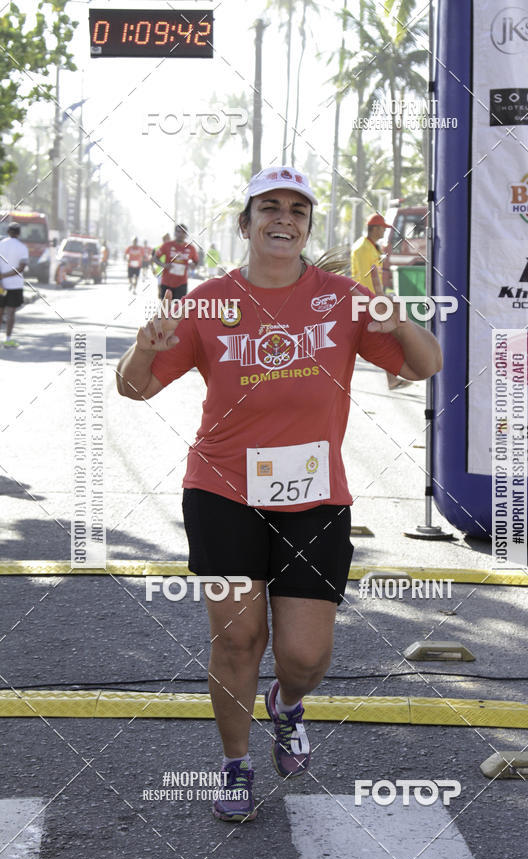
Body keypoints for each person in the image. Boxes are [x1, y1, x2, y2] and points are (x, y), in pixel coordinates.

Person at [116, 165, 442, 823]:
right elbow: (135, 388)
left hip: (316, 499)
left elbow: (424, 366)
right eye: (269, 208)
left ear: (306, 227)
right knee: (237, 641)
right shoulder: (208, 301)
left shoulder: (344, 297)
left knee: (304, 655)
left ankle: (288, 704)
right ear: (246, 224)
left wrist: (398, 320)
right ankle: (234, 766)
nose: (283, 219)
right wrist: (141, 348)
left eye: (297, 210)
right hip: (222, 490)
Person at [351, 213, 408, 390]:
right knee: (383, 338)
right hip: (366, 301)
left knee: (381, 338)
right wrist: (373, 302)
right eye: (383, 228)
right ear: (375, 228)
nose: (384, 231)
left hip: (371, 299)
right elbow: (363, 277)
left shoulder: (370, 247)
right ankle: (392, 379)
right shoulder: (362, 249)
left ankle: (392, 379)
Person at [0, 222, 29, 348]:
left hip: (1, 286)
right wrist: (5, 276)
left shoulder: (1, 245)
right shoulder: (23, 248)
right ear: (18, 233)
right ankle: (8, 339)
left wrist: (1, 278)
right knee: (11, 312)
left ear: (8, 232)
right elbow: (21, 268)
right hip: (15, 285)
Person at [151, 224, 199, 300]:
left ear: (186, 234)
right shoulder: (167, 245)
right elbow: (155, 258)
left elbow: (196, 261)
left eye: (183, 232)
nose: (180, 234)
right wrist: (164, 265)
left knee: (179, 310)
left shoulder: (191, 248)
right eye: (178, 232)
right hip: (166, 282)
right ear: (175, 233)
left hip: (182, 284)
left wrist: (193, 265)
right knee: (165, 308)